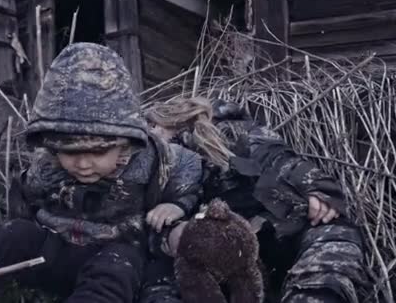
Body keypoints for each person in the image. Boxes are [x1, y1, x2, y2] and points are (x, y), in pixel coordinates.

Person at [0, 43, 203, 303]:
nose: (84, 164)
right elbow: (24, 204)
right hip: (54, 247)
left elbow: (189, 169)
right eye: (70, 152)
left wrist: (177, 205)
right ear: (52, 145)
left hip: (116, 250)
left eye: (99, 152)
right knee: (13, 234)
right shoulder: (45, 167)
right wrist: (11, 232)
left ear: (126, 143)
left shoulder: (152, 160)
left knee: (114, 272)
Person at [139, 97, 367, 303]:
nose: (150, 134)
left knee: (334, 241)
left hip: (275, 230)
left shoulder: (233, 133)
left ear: (171, 117)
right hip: (215, 258)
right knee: (161, 282)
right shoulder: (148, 165)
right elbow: (140, 225)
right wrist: (171, 234)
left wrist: (316, 188)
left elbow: (280, 158)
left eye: (153, 125)